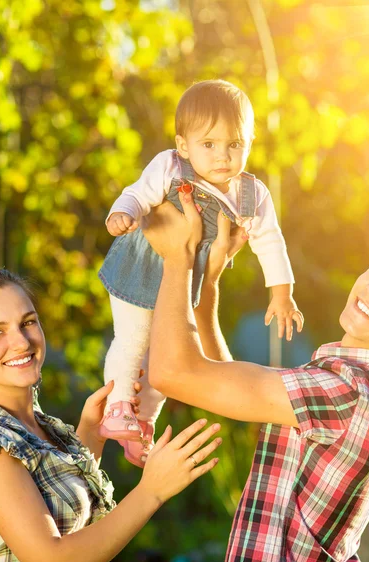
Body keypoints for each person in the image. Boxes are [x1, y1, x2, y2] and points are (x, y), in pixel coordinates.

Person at [141, 197, 369, 562]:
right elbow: (228, 388)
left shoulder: (347, 392)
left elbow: (172, 374)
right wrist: (209, 286)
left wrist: (175, 257)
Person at [0, 267, 223, 562]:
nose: (21, 341)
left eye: (28, 322)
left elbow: (61, 516)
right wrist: (151, 491)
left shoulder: (34, 425)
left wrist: (90, 437)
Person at [96, 79, 303, 467]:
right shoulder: (169, 167)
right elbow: (138, 194)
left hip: (184, 284)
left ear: (249, 143)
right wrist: (123, 213)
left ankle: (142, 422)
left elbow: (270, 242)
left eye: (234, 144)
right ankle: (118, 405)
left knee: (165, 358)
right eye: (209, 144)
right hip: (140, 267)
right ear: (183, 145)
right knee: (134, 338)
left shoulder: (252, 195)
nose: (222, 156)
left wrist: (281, 293)